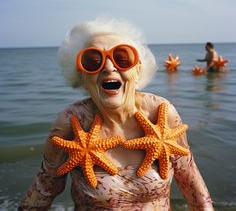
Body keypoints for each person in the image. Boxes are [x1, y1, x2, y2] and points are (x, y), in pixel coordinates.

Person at [18, 18, 214, 210]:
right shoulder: (71, 122)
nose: (109, 67)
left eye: (122, 58)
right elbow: (42, 191)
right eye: (93, 61)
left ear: (138, 70)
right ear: (82, 76)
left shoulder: (161, 112)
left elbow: (193, 185)